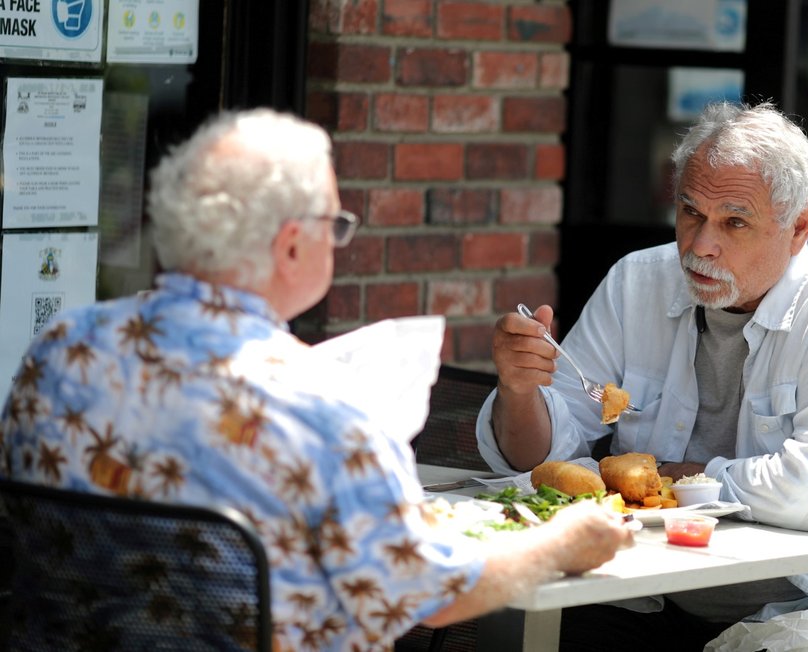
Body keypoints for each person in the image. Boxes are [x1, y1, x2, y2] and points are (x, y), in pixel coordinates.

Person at [0, 109, 633, 651]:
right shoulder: (322, 403)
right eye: (335, 225)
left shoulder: (61, 349)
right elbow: (428, 592)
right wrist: (562, 544)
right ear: (292, 245)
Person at [477, 101, 808, 652]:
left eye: (734, 222)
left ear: (799, 225)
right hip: (661, 596)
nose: (700, 246)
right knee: (522, 628)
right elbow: (540, 459)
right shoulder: (637, 281)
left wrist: (664, 479)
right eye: (691, 213)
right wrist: (519, 391)